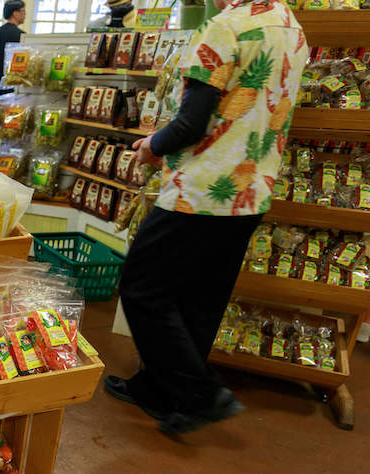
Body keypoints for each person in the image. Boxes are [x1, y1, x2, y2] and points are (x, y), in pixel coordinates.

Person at [105, 0, 307, 434]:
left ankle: (200, 393)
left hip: (200, 192)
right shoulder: (292, 27)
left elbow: (191, 124)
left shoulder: (226, 27)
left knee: (141, 286)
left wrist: (151, 146)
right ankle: (161, 393)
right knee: (199, 301)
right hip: (251, 191)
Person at [0, 0, 24, 99]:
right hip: (12, 85)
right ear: (15, 13)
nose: (25, 15)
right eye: (23, 11)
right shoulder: (22, 36)